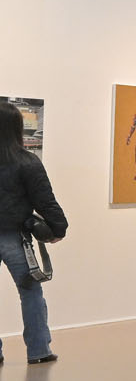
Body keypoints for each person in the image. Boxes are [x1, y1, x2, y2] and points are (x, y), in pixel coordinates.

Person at [0, 101, 65, 366]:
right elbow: (45, 200)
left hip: (14, 234)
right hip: (15, 236)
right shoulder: (27, 162)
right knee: (31, 292)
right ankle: (38, 351)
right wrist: (58, 229)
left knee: (31, 292)